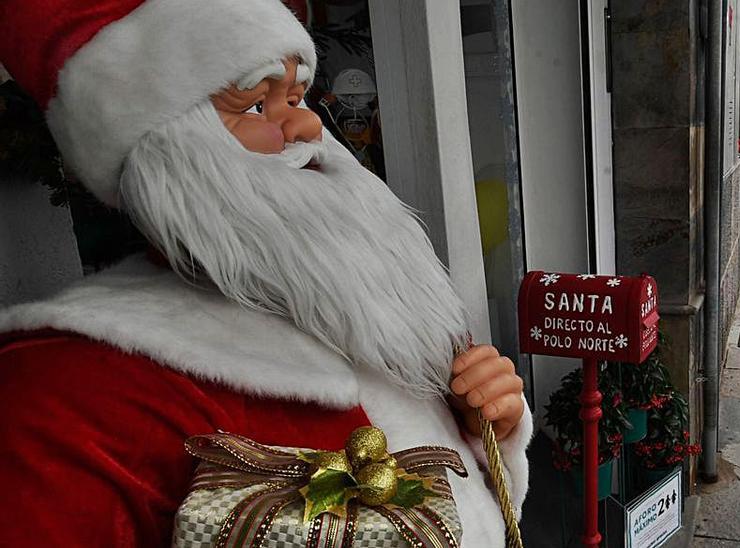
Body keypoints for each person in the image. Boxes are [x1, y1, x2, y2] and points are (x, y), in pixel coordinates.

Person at [0, 1, 531, 546]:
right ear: (163, 153)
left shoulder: (386, 313)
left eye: (297, 98)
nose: (305, 127)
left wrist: (488, 435)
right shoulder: (70, 391)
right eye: (255, 104)